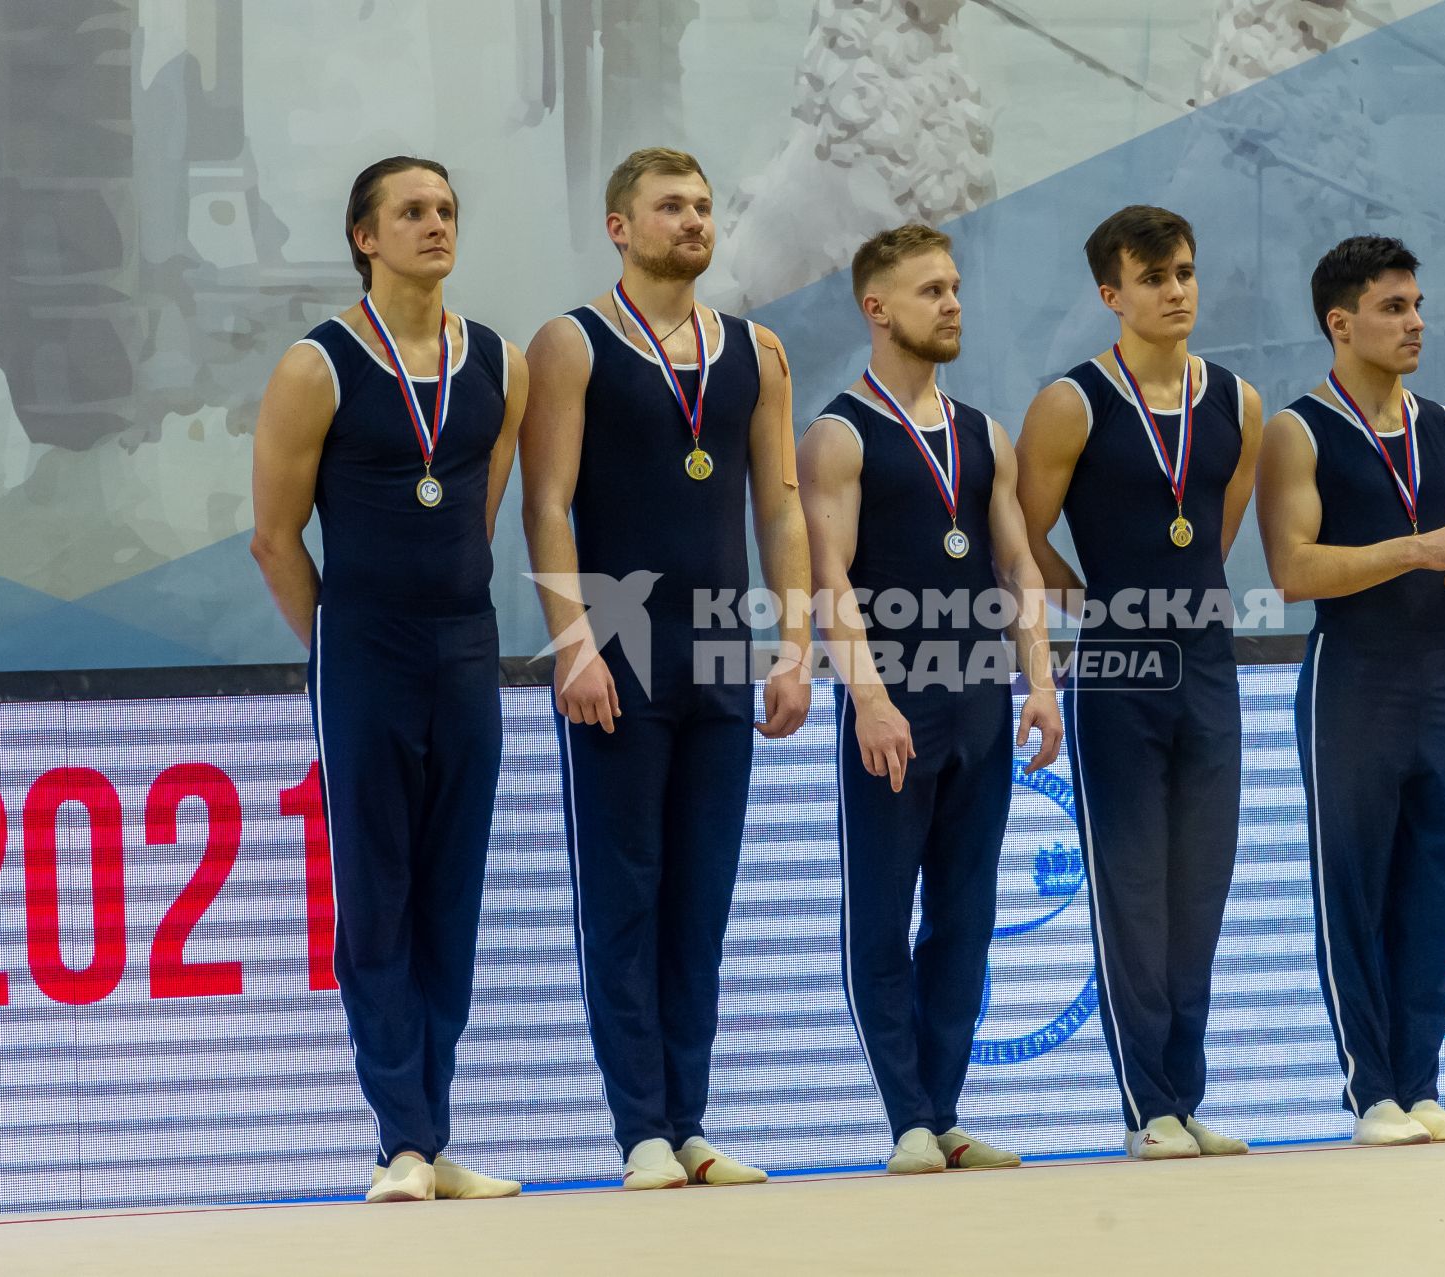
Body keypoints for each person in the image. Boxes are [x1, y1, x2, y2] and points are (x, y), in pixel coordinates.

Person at [518, 147, 813, 1189]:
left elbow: (778, 503)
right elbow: (545, 501)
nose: (693, 220)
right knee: (625, 893)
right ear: (618, 225)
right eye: (669, 206)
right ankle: (638, 1126)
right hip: (623, 648)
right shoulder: (572, 344)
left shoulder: (757, 351)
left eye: (701, 205)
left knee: (701, 899)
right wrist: (573, 643)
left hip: (724, 648)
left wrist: (794, 642)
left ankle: (688, 1119)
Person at [251, 156, 527, 1202]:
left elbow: (478, 514)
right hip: (362, 651)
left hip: (465, 648)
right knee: (378, 895)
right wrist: (340, 643)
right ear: (366, 237)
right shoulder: (316, 367)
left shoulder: (498, 360)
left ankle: (431, 1134)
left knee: (451, 898)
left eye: (448, 209)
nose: (436, 225)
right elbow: (274, 539)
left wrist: (445, 619)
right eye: (412, 212)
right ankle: (398, 1141)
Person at [799, 224, 1062, 1174]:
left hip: (982, 705)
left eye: (954, 287)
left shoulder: (983, 432)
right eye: (930, 291)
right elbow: (828, 579)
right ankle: (906, 1116)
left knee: (967, 915)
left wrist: (1039, 680)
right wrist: (867, 699)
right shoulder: (837, 434)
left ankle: (945, 1112)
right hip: (895, 705)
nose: (952, 303)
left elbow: (1018, 565)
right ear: (877, 308)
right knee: (882, 914)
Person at [1015, 205, 1261, 1160]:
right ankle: (1146, 1106)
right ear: (1111, 295)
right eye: (1154, 278)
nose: (1175, 292)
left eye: (1186, 273)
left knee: (1201, 888)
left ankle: (1187, 1096)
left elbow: (1219, 527)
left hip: (1206, 662)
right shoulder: (1071, 404)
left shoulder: (1238, 402)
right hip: (1117, 668)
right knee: (1134, 889)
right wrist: (1099, 604)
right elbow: (1023, 539)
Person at [1254, 235, 1445, 1146]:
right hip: (1350, 681)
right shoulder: (1297, 430)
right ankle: (1371, 1094)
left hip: (1437, 679)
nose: (1416, 322)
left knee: (1436, 885)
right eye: (1395, 307)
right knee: (1354, 890)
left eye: (1417, 305)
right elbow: (1290, 570)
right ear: (1341, 321)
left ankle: (1423, 1083)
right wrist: (1414, 546)